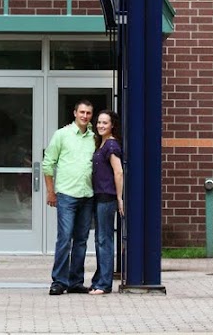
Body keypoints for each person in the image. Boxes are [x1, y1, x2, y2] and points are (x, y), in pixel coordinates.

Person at [41, 99, 96, 295]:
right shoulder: (62, 135)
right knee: (64, 239)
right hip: (66, 195)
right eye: (82, 112)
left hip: (87, 195)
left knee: (81, 240)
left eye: (88, 113)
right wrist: (50, 191)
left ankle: (75, 282)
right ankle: (58, 281)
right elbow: (48, 164)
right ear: (74, 113)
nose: (85, 116)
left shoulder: (94, 138)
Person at [90, 109, 124, 295]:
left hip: (107, 198)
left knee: (104, 241)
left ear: (112, 125)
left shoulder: (111, 145)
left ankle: (104, 284)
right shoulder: (101, 143)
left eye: (105, 123)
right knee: (100, 240)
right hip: (99, 197)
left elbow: (118, 172)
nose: (101, 125)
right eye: (99, 122)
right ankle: (99, 280)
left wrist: (119, 198)